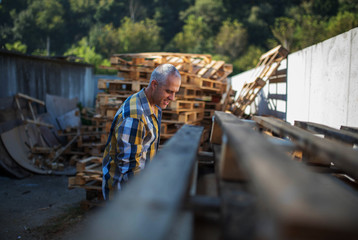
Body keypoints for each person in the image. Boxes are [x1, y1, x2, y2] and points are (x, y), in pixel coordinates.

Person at [102, 63, 181, 200]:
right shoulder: (135, 116)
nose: (172, 98)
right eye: (169, 91)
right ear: (154, 85)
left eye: (175, 92)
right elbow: (130, 171)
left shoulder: (155, 105)